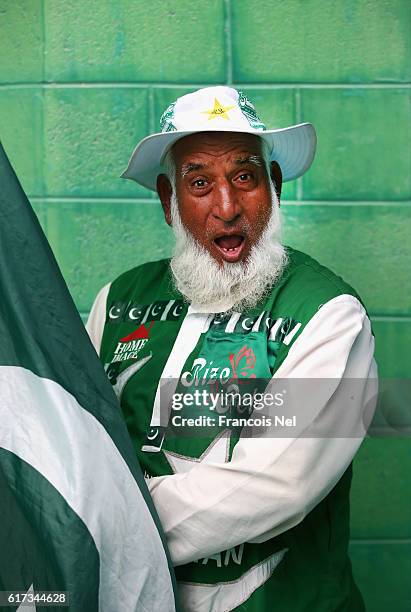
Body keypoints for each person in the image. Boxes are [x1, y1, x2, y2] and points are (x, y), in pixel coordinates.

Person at [87, 86, 377, 611]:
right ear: (168, 201)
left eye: (244, 176)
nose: (226, 207)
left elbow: (277, 483)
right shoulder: (118, 303)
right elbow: (80, 440)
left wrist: (99, 524)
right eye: (199, 182)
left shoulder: (329, 314)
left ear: (275, 185)